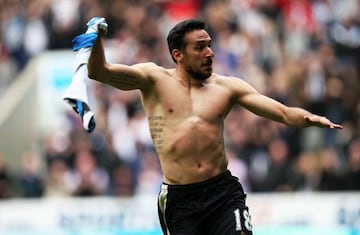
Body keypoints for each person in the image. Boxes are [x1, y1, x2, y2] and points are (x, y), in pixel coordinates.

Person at [69, 17, 343, 235]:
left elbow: (282, 112)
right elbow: (98, 71)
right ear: (178, 54)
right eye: (200, 47)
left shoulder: (227, 87)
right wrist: (99, 39)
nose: (209, 52)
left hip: (223, 192)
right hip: (180, 199)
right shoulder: (152, 79)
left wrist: (308, 118)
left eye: (209, 44)